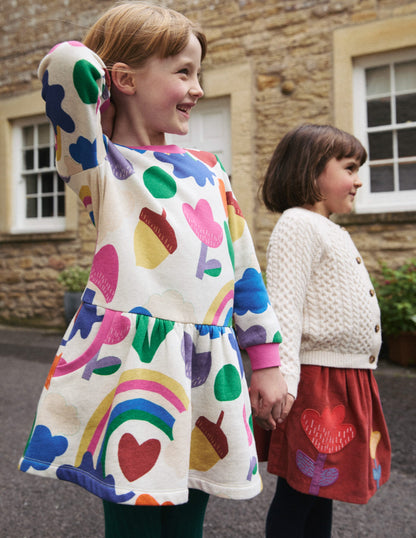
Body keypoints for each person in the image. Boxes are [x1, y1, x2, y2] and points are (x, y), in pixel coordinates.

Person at [18, 2, 288, 537]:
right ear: (122, 78)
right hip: (135, 368)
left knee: (190, 519)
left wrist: (266, 359)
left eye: (199, 73)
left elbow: (244, 271)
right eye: (183, 72)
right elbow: (65, 65)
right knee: (134, 522)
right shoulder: (99, 164)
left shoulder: (211, 171)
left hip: (207, 368)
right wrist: (110, 90)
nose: (199, 88)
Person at [258, 124, 391, 537]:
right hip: (316, 382)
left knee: (320, 489)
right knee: (301, 490)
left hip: (345, 378)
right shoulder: (298, 224)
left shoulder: (328, 228)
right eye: (349, 168)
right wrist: (285, 382)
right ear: (313, 171)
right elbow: (284, 309)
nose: (358, 180)